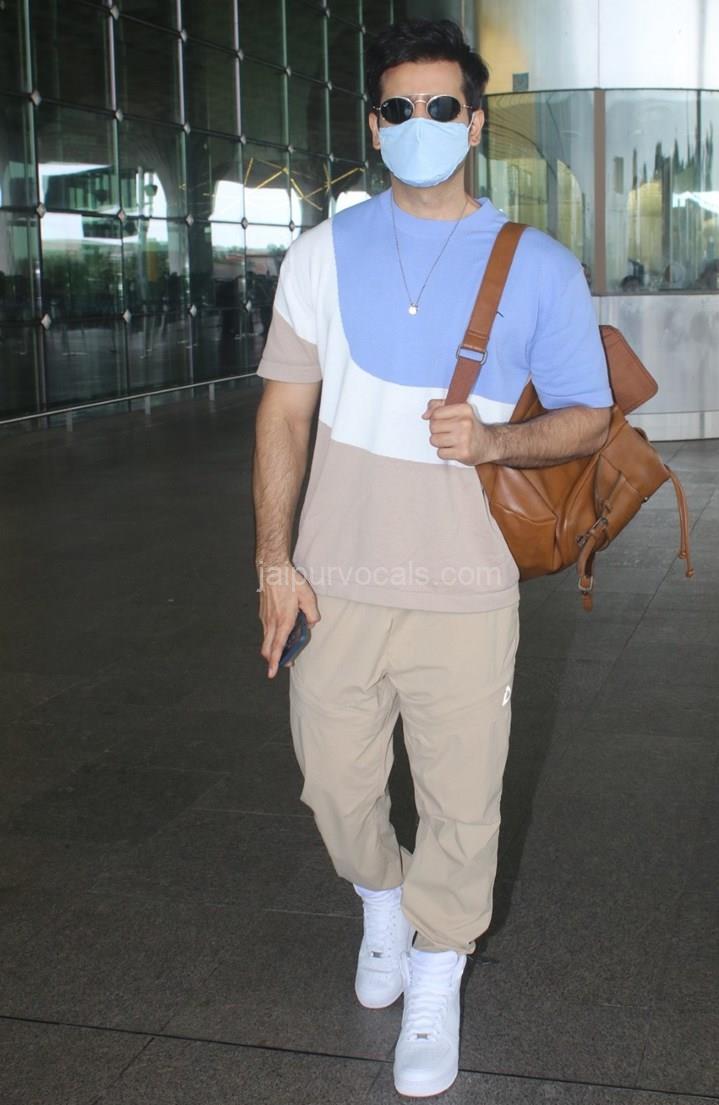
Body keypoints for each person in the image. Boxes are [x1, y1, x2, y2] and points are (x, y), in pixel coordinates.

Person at [251, 18, 612, 1098]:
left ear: (475, 122)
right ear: (374, 126)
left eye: (441, 107)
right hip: (336, 581)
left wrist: (495, 441)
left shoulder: (538, 266)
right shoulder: (319, 254)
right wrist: (273, 561)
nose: (420, 124)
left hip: (466, 589)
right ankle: (380, 899)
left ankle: (437, 967)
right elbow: (282, 415)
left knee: (461, 804)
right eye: (399, 109)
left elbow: (589, 416)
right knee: (334, 786)